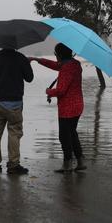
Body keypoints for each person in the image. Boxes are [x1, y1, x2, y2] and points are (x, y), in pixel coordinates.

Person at [30, 43, 87, 173]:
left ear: (60, 55)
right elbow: (55, 65)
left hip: (68, 108)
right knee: (72, 134)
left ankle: (67, 164)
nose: (55, 57)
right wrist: (38, 60)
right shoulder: (75, 64)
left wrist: (49, 91)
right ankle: (80, 161)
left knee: (64, 136)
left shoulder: (66, 68)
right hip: (78, 105)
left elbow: (61, 90)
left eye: (56, 54)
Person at [0, 47, 34, 175]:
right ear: (15, 43)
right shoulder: (21, 58)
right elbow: (29, 78)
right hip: (15, 104)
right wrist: (27, 64)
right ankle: (13, 165)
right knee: (14, 133)